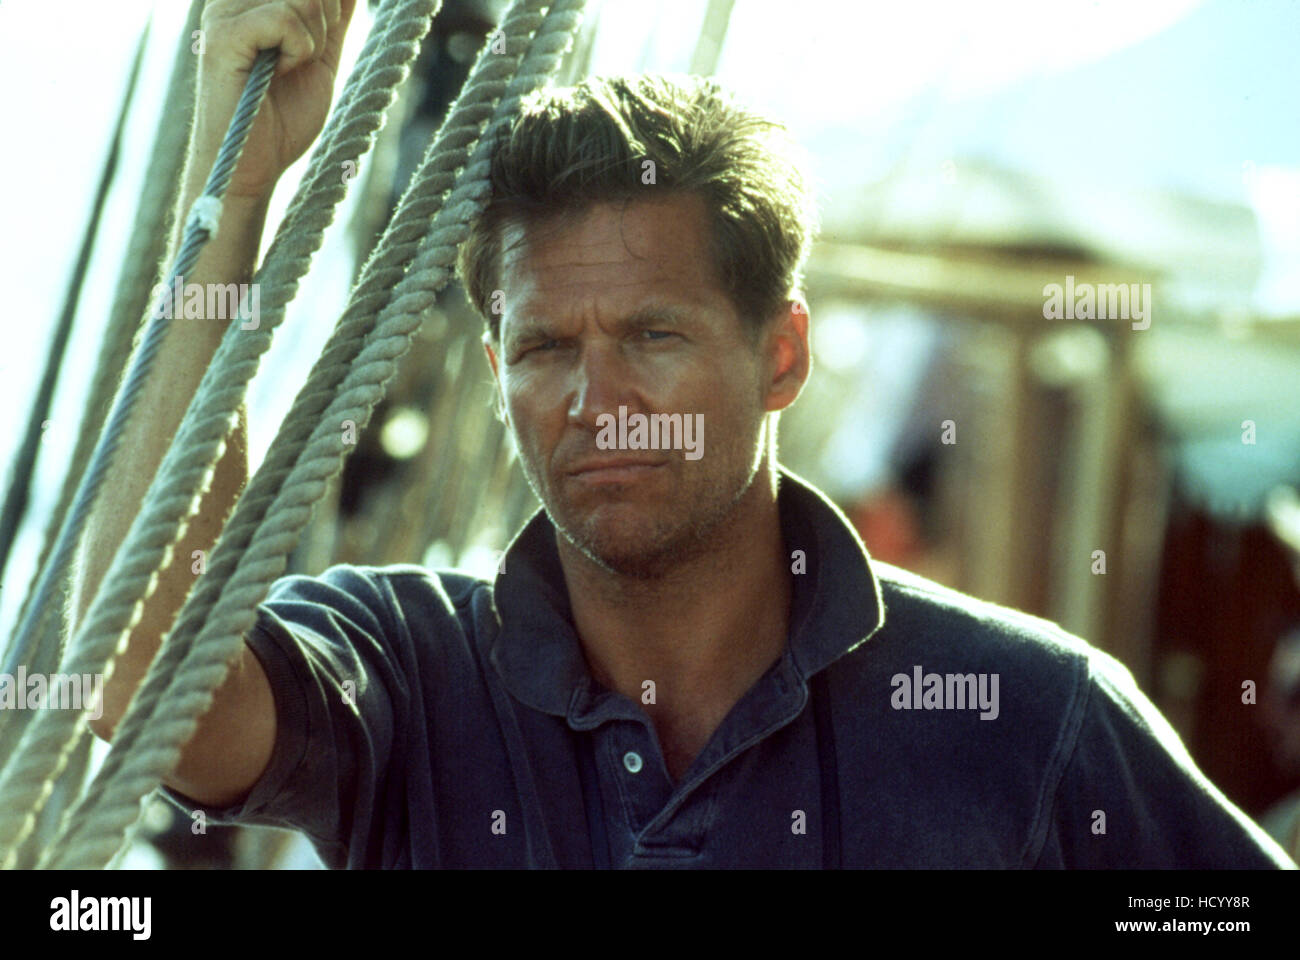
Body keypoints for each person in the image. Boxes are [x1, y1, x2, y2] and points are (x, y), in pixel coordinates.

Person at [81, 0, 1294, 869]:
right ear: (500, 367)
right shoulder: (413, 680)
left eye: (653, 336)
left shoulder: (1033, 723)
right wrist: (234, 191)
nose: (593, 396)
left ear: (781, 356)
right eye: (548, 347)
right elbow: (143, 688)